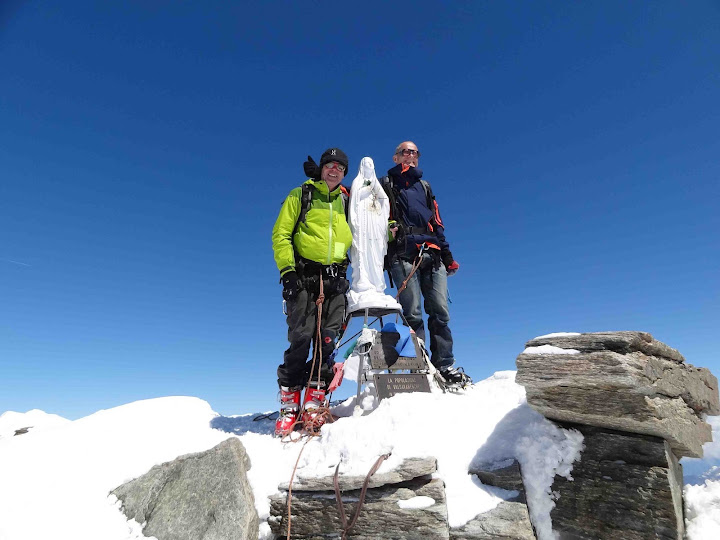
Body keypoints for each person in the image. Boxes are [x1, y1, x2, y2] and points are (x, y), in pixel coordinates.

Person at [271, 148, 353, 436]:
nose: (334, 170)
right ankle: (289, 405)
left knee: (327, 340)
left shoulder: (346, 200)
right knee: (301, 337)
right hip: (304, 276)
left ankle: (313, 404)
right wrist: (288, 272)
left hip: (336, 279)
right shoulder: (301, 194)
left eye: (340, 167)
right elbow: (281, 234)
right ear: (320, 169)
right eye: (329, 165)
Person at [381, 141, 469, 386]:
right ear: (396, 157)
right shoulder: (385, 185)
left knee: (440, 311)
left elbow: (437, 223)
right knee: (413, 313)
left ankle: (445, 365)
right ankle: (417, 366)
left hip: (433, 253)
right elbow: (374, 216)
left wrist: (448, 256)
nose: (410, 155)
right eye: (405, 152)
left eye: (414, 152)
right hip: (403, 254)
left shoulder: (425, 187)